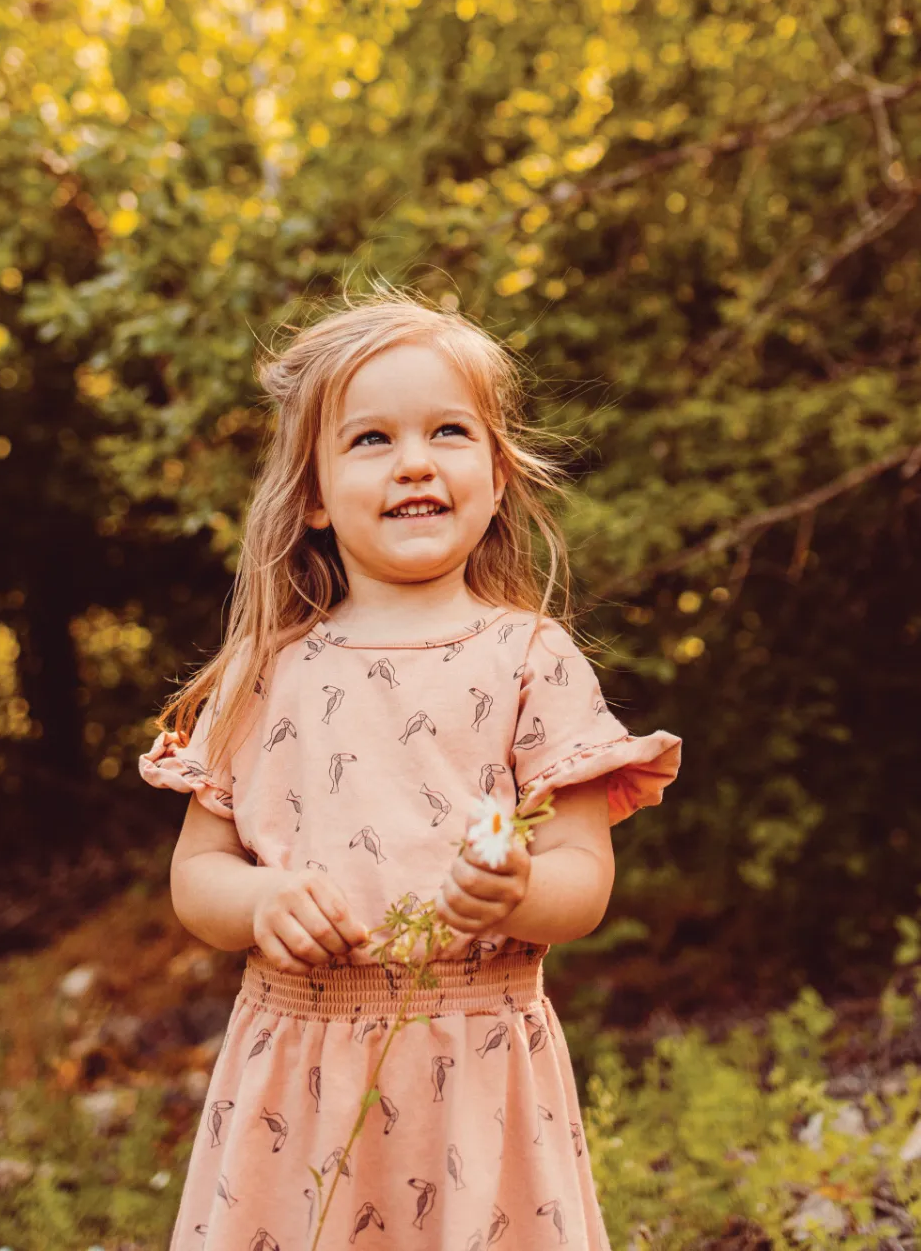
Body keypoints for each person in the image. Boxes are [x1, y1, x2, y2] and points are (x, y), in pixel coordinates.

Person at [139, 283, 682, 1250]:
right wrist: (259, 905)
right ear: (310, 493)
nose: (415, 463)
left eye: (448, 432)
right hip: (297, 1068)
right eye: (371, 440)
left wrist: (517, 890)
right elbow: (198, 873)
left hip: (476, 1065)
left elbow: (584, 878)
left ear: (500, 472)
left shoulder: (532, 659)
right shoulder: (269, 671)